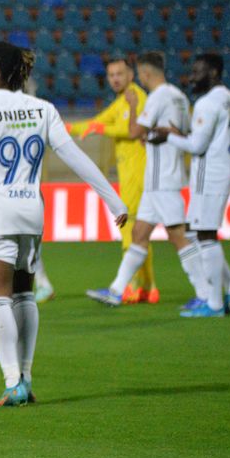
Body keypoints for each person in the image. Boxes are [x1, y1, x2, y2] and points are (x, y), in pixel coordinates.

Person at [0, 42, 127, 408]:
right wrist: (113, 200)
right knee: (25, 294)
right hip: (32, 212)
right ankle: (27, 377)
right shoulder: (42, 109)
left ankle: (12, 380)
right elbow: (76, 158)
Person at [86, 52, 211, 310]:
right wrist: (153, 134)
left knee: (178, 237)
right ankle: (116, 291)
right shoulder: (179, 97)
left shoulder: (157, 98)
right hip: (160, 179)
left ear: (144, 74)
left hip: (162, 180)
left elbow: (134, 132)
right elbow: (183, 132)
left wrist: (133, 106)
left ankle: (207, 294)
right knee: (139, 233)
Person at [149, 53, 230, 317]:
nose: (191, 77)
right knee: (198, 232)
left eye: (197, 72)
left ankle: (214, 304)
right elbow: (205, 138)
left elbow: (197, 146)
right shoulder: (228, 98)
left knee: (205, 235)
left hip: (209, 175)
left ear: (213, 72)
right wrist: (181, 135)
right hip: (221, 169)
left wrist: (168, 137)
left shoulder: (207, 103)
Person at [67, 58, 154, 303]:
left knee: (130, 229)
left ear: (130, 75)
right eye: (111, 75)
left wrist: (99, 129)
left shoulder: (136, 98)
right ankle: (148, 287)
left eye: (120, 73)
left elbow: (132, 130)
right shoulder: (121, 102)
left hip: (138, 175)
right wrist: (66, 128)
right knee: (139, 232)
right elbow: (97, 122)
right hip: (131, 175)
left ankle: (132, 287)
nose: (115, 78)